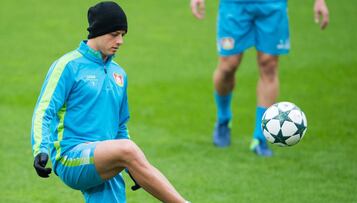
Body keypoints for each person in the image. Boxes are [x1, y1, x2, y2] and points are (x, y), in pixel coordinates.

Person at [31, 2, 190, 203]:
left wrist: (134, 165)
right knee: (128, 149)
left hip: (104, 157)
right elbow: (44, 111)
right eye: (114, 34)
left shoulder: (119, 74)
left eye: (123, 34)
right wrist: (40, 149)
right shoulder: (68, 66)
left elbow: (120, 127)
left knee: (127, 152)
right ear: (97, 32)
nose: (120, 41)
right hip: (71, 157)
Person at [190, 0, 329, 156]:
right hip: (234, 5)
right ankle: (223, 119)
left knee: (268, 64)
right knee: (228, 66)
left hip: (272, 5)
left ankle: (261, 137)